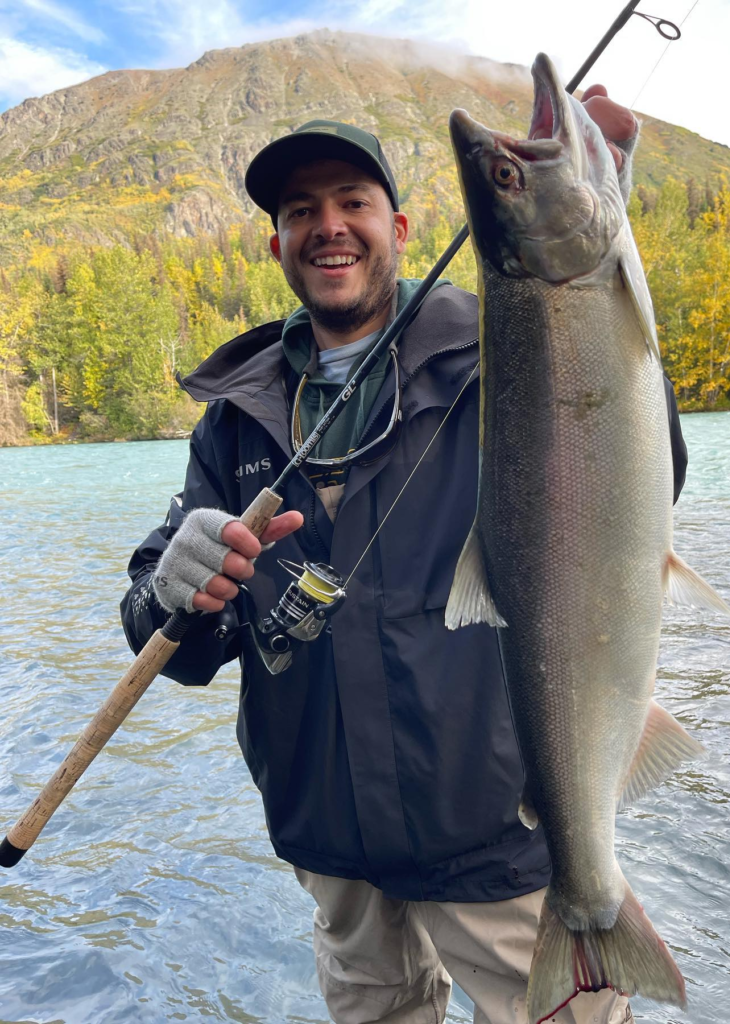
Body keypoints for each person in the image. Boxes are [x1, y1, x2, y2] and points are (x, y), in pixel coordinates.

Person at [122, 89, 688, 1024]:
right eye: (299, 212)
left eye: (350, 200)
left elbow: (640, 469)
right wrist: (169, 592)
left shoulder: (505, 342)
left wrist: (597, 215)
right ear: (276, 245)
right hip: (335, 856)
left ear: (400, 225)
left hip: (498, 840)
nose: (327, 227)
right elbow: (177, 651)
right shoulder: (233, 420)